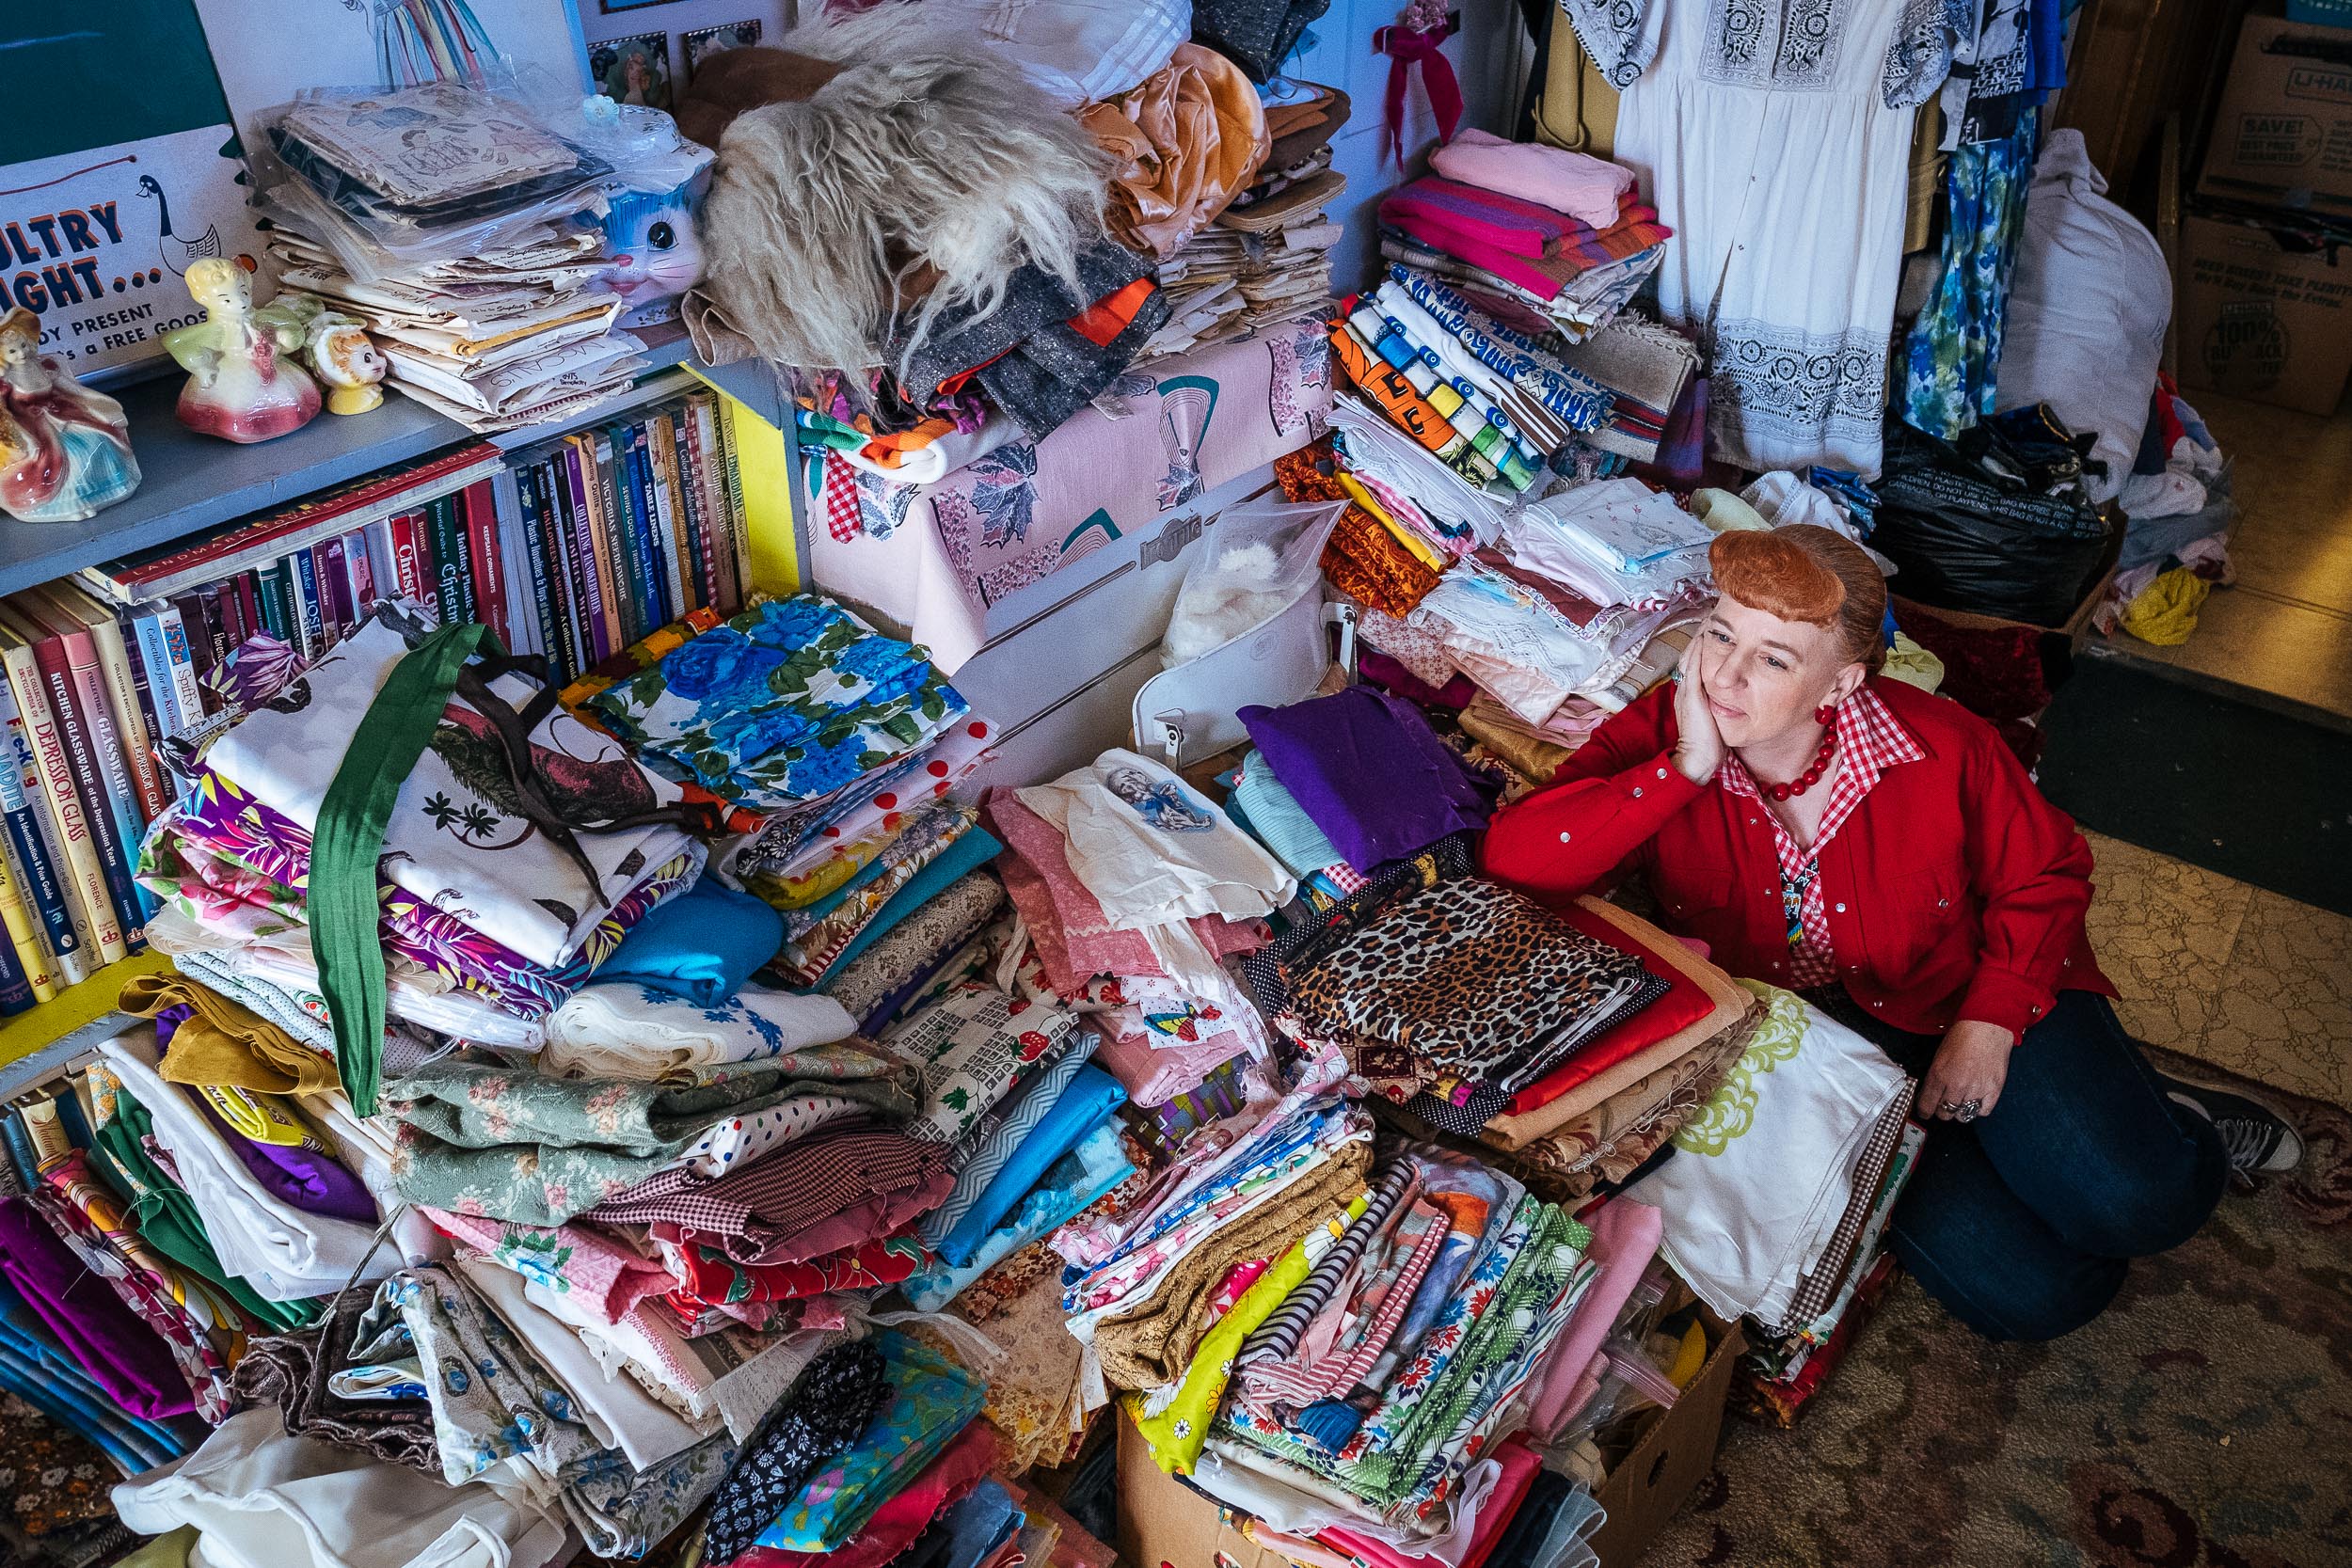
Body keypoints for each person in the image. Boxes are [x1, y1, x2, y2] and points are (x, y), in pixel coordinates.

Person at [1483, 524, 2300, 1341]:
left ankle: (2175, 1119)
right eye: (1720, 632)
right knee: (2037, 1296)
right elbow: (1516, 861)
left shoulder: (1944, 744)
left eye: (1774, 658)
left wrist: (1990, 1023)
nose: (1724, 675)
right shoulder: (1667, 728)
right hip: (1826, 1051)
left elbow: (2045, 873)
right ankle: (2050, 1144)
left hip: (1967, 989)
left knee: (2140, 1201)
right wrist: (1685, 768)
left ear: (1837, 685)